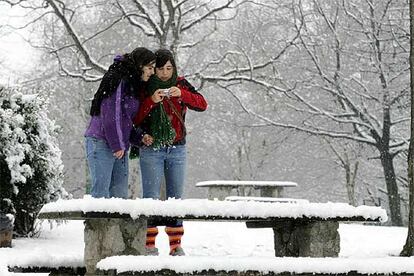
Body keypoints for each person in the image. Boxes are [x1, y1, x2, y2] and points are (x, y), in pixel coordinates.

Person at [133, 49, 208, 256]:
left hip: (177, 148)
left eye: (169, 68)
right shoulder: (146, 86)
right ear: (153, 69)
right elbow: (135, 117)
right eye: (160, 69)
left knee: (176, 198)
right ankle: (149, 244)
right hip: (152, 148)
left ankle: (176, 245)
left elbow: (203, 104)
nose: (165, 73)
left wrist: (182, 94)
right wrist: (151, 101)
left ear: (174, 68)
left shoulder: (181, 84)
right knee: (151, 198)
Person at [84, 47, 156, 199]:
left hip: (119, 145)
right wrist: (117, 144)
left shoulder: (132, 83)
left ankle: (115, 224)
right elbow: (111, 113)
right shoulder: (118, 79)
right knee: (100, 195)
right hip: (101, 141)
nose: (152, 72)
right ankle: (96, 224)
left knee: (119, 197)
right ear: (139, 65)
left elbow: (125, 119)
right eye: (149, 68)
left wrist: (139, 136)